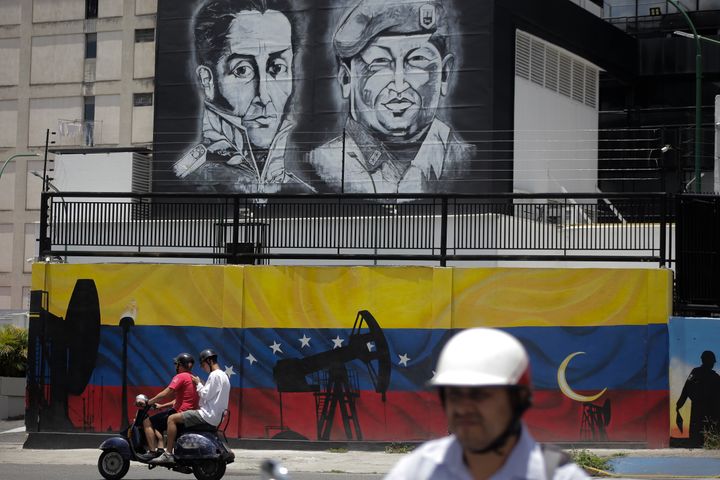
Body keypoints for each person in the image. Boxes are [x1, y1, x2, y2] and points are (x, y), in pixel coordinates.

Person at [308, 0, 473, 194]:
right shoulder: (324, 164)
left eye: (417, 60)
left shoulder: (464, 158)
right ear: (346, 79)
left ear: (444, 74)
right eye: (379, 62)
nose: (399, 85)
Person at [384, 328, 589, 480]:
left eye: (480, 395)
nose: (463, 408)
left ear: (518, 399)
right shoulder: (417, 470)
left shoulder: (557, 475)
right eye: (454, 395)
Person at [173, 0, 314, 193]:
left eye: (277, 68)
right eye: (242, 70)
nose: (264, 97)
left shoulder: (302, 192)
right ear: (208, 81)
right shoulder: (191, 182)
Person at [152, 348, 231, 465]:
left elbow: (205, 395)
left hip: (207, 415)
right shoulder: (224, 376)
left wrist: (198, 383)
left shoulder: (214, 375)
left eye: (203, 364)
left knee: (171, 419)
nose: (202, 367)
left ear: (209, 361)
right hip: (216, 416)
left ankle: (168, 454)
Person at [140, 353, 199, 459]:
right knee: (158, 423)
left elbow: (166, 393)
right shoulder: (193, 378)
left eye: (176, 364)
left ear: (180, 365)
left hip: (179, 413)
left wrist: (149, 402)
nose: (175, 366)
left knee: (147, 421)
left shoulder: (180, 376)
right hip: (188, 413)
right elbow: (178, 400)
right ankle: (160, 448)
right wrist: (161, 406)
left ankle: (152, 452)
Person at [676, 350, 720, 447]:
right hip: (711, 412)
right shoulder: (715, 377)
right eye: (712, 361)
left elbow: (687, 387)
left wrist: (679, 404)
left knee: (697, 433)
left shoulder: (695, 372)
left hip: (697, 410)